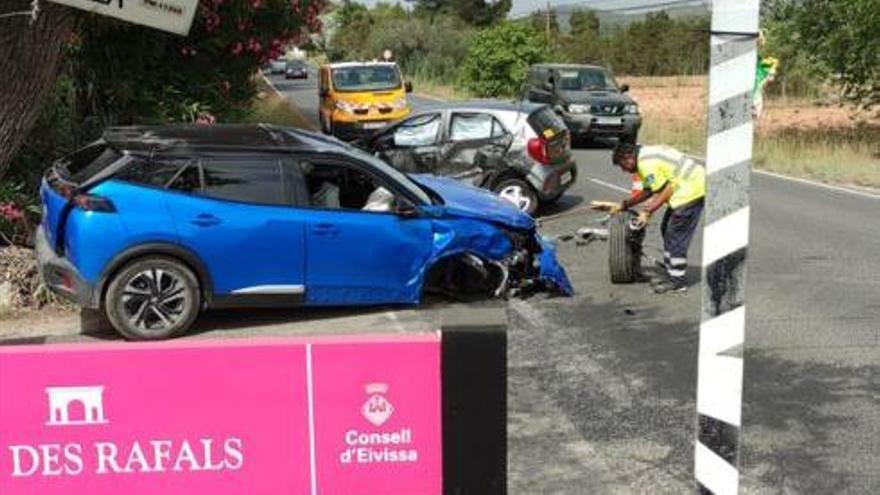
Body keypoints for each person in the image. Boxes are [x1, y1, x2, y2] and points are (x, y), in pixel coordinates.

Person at [591, 142, 705, 293]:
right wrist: (624, 205)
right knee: (666, 229)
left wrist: (647, 212)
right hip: (687, 186)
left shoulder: (646, 163)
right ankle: (672, 273)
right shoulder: (644, 156)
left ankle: (678, 282)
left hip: (689, 191)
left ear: (628, 157)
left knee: (675, 236)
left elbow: (666, 190)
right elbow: (649, 190)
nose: (625, 170)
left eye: (623, 165)